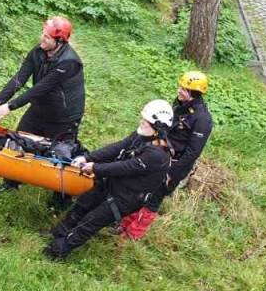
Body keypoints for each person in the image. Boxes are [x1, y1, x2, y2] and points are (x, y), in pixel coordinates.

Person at [43, 100, 174, 260]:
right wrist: (87, 157)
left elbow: (126, 167)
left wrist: (95, 168)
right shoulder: (142, 136)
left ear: (157, 127)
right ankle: (58, 233)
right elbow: (118, 147)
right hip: (114, 183)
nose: (141, 122)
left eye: (145, 121)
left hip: (126, 198)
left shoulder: (157, 155)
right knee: (83, 204)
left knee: (90, 222)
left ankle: (57, 251)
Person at [0, 16, 85, 193]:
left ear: (59, 41)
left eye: (47, 37)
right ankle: (11, 184)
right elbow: (19, 78)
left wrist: (10, 107)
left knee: (61, 154)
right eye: (42, 34)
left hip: (64, 117)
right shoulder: (38, 52)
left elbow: (40, 88)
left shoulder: (69, 62)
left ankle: (62, 196)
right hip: (40, 109)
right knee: (19, 142)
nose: (41, 39)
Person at [117, 70, 213, 239]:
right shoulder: (179, 106)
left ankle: (133, 234)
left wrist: (172, 174)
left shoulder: (202, 120)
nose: (179, 90)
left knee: (153, 199)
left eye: (183, 88)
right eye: (180, 86)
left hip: (173, 166)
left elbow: (192, 152)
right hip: (158, 156)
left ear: (194, 93)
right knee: (140, 190)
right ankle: (124, 223)